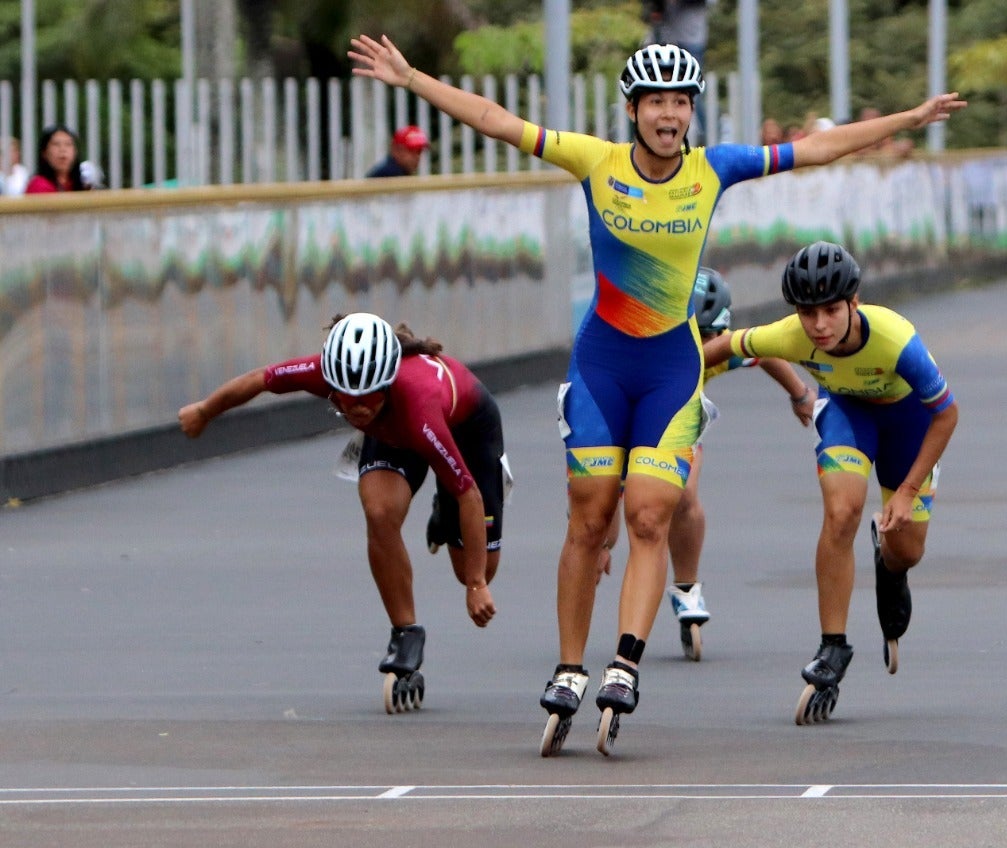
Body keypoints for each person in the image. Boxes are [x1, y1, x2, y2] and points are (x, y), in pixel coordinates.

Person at [349, 32, 965, 756]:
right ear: (634, 109)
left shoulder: (715, 169)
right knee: (589, 517)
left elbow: (818, 148)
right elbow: (492, 119)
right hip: (604, 366)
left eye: (681, 102)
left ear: (690, 111)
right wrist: (412, 76)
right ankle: (570, 668)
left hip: (671, 371)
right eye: (656, 103)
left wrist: (909, 118)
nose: (669, 115)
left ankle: (625, 662)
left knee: (648, 517)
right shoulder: (595, 162)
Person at [178, 313, 507, 714]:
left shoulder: (419, 407)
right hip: (396, 432)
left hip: (463, 430)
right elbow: (261, 379)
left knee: (477, 566)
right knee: (379, 511)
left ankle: (442, 506)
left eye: (366, 398)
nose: (356, 409)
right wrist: (205, 411)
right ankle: (405, 631)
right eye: (344, 400)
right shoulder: (326, 376)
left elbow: (469, 495)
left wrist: (475, 584)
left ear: (386, 383)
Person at [703, 241, 958, 725]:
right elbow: (728, 345)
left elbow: (947, 413)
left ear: (853, 304)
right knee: (842, 511)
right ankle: (833, 645)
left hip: (908, 424)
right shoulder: (789, 335)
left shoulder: (896, 339)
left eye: (830, 311)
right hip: (848, 415)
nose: (819, 325)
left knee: (908, 550)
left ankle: (890, 564)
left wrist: (905, 492)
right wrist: (673, 379)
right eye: (807, 313)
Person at [598, 267, 815, 663]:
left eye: (714, 336)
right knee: (605, 508)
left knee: (683, 493)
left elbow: (760, 352)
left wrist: (799, 394)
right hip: (622, 421)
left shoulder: (714, 350)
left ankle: (686, 588)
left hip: (677, 427)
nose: (710, 347)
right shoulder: (645, 348)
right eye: (701, 337)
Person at [642, 1, 715, 145]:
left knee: (693, 91)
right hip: (662, 37)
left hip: (690, 39)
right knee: (650, 88)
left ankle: (708, 140)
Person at [24, 124, 88, 194]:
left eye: (68, 144)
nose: (62, 149)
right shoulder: (38, 186)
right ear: (44, 153)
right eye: (56, 144)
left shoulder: (83, 185)